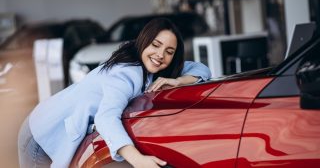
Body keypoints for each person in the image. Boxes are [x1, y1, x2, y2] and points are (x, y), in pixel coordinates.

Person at [18, 18, 211, 168]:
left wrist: (178, 80)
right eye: (156, 45)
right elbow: (107, 118)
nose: (161, 55)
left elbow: (201, 69)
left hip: (54, 122)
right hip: (42, 132)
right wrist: (138, 160)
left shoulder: (154, 69)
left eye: (169, 51)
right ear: (144, 41)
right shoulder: (127, 72)